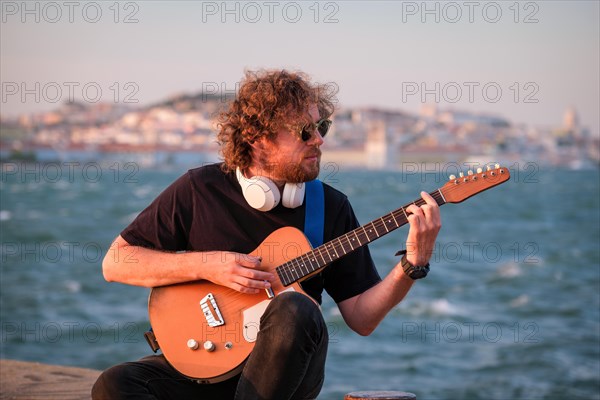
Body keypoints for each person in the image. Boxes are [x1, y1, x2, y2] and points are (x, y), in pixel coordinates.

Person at [92, 69, 441, 400]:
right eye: (304, 131)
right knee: (114, 384)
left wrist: (412, 264)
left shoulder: (330, 207)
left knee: (294, 308)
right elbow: (116, 262)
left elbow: (362, 319)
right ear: (258, 139)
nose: (319, 139)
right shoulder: (199, 189)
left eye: (322, 126)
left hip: (286, 380)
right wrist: (208, 265)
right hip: (203, 364)